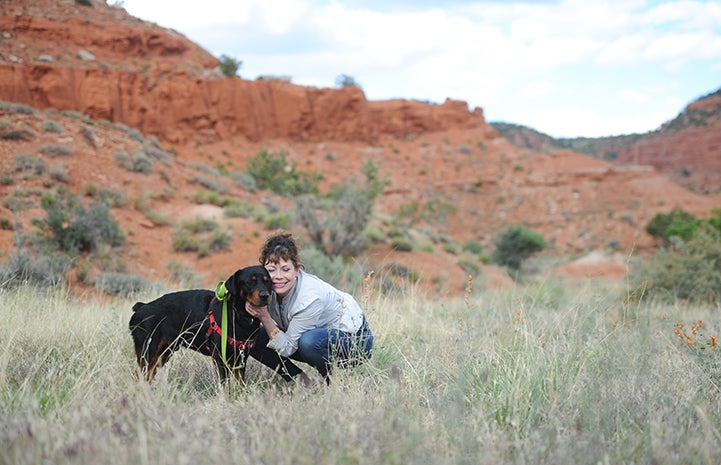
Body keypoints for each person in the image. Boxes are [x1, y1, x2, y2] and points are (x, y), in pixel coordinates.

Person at [246, 231, 373, 386]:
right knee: (251, 336)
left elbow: (287, 348)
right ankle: (304, 382)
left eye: (285, 269)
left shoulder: (310, 297)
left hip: (354, 340)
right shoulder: (266, 289)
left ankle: (335, 385)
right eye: (272, 270)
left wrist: (264, 317)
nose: (278, 276)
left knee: (308, 342)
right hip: (314, 335)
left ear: (297, 270)